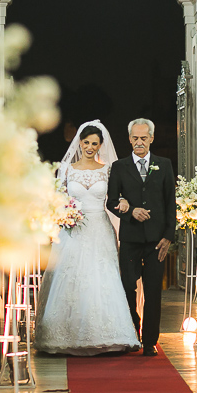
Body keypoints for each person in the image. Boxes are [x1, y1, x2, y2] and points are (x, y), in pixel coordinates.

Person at [34, 121, 140, 355]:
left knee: (101, 276)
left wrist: (124, 201)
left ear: (101, 145)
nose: (90, 147)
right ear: (79, 143)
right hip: (73, 230)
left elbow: (117, 196)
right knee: (70, 276)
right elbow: (57, 199)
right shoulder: (66, 168)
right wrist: (64, 214)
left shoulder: (108, 169)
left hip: (99, 228)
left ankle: (107, 334)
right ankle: (65, 335)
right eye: (86, 142)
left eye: (94, 143)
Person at [106, 118, 177, 357]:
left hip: (157, 240)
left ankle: (149, 341)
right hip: (131, 238)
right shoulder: (119, 166)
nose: (139, 142)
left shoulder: (164, 164)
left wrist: (168, 236)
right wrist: (130, 212)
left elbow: (170, 202)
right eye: (135, 138)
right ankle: (132, 330)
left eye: (143, 138)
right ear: (129, 139)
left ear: (151, 139)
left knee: (153, 290)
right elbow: (111, 201)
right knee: (127, 286)